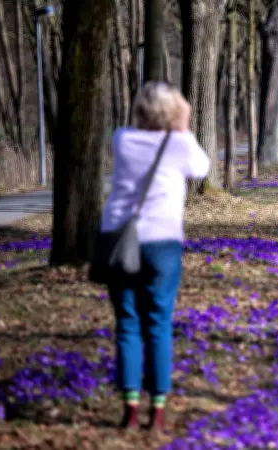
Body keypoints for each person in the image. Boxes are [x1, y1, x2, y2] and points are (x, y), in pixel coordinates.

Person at [100, 82, 209, 431]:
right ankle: (158, 412)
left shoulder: (122, 139)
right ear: (174, 112)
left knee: (128, 324)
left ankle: (130, 411)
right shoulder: (180, 144)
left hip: (121, 241)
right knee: (158, 324)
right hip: (161, 242)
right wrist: (185, 125)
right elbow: (202, 169)